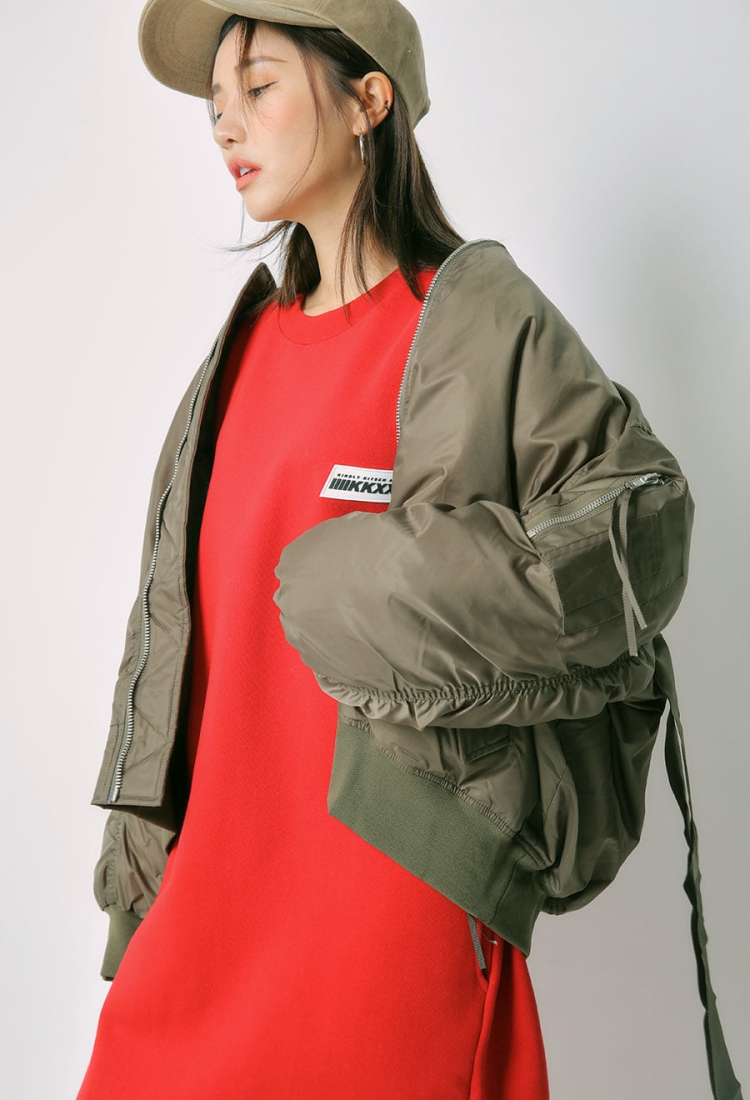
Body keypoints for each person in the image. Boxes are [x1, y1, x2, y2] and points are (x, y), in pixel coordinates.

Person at [77, 1, 723, 1098]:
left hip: (390, 919)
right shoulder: (238, 353)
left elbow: (641, 524)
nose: (226, 123)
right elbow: (185, 657)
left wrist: (383, 586)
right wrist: (144, 888)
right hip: (208, 912)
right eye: (217, 102)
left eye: (260, 87)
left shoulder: (474, 323)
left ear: (367, 100)